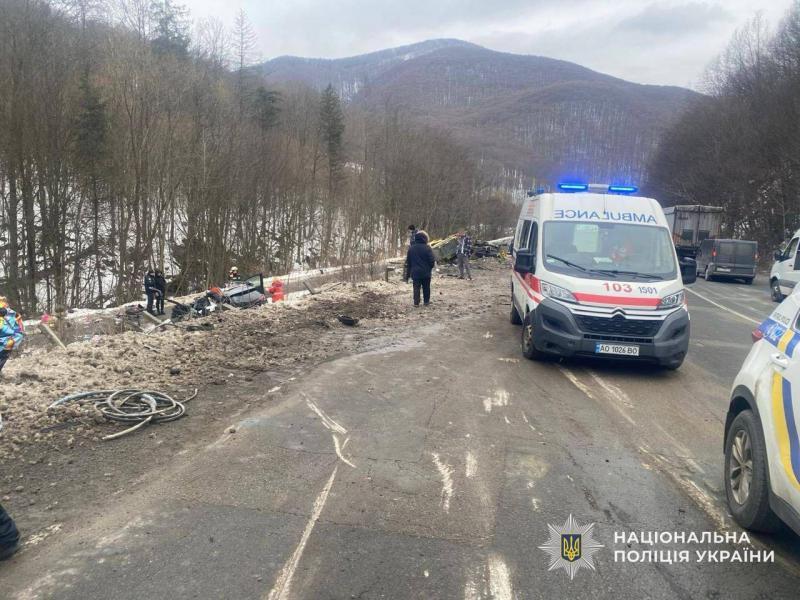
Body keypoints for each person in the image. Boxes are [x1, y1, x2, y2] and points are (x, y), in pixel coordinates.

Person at [405, 230, 436, 306]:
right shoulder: (428, 248)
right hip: (426, 272)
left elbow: (408, 262)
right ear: (425, 238)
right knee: (426, 287)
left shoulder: (411, 248)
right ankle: (426, 302)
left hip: (415, 271)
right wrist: (430, 268)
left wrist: (407, 275)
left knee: (416, 287)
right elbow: (432, 260)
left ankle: (416, 302)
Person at [0, 297, 25, 376]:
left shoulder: (10, 313)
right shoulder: (11, 313)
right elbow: (19, 329)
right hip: (8, 341)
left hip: (7, 341)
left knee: (3, 356)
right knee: (3, 357)